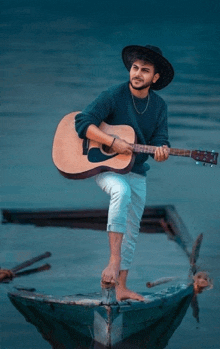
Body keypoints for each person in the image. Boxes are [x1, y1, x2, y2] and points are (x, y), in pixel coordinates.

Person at [75, 45, 174, 301]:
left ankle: (121, 287)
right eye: (135, 68)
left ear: (155, 77)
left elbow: (160, 140)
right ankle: (113, 261)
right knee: (121, 189)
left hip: (136, 169)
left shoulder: (159, 106)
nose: (137, 74)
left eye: (145, 70)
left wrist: (162, 152)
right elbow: (83, 122)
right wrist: (110, 141)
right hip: (105, 165)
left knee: (133, 228)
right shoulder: (113, 95)